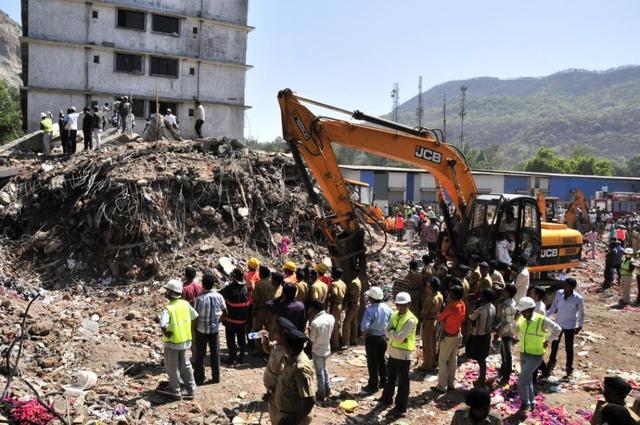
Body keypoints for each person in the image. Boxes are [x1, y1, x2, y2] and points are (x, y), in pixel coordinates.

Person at [515, 296, 562, 411]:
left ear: (531, 309)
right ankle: (531, 403)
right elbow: (515, 331)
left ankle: (525, 403)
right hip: (524, 353)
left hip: (536, 355)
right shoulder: (521, 319)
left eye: (523, 311)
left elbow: (558, 329)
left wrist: (549, 340)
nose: (522, 313)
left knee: (521, 381)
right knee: (528, 380)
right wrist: (515, 320)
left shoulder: (541, 320)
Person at [157, 279, 198, 400]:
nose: (166, 293)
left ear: (170, 293)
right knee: (185, 365)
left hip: (172, 342)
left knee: (172, 368)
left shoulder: (168, 308)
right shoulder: (185, 304)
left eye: (167, 291)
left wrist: (167, 333)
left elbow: (163, 324)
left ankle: (176, 391)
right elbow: (194, 316)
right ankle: (191, 390)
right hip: (185, 341)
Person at [379, 292, 418, 418]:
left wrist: (393, 334)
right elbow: (386, 330)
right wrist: (394, 334)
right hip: (392, 352)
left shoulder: (411, 319)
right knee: (390, 377)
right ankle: (386, 398)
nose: (401, 307)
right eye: (399, 305)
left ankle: (401, 406)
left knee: (402, 382)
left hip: (403, 354)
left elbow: (400, 337)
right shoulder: (395, 314)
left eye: (403, 305)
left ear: (409, 305)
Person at [270, 323, 315, 425]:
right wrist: (274, 394)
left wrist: (294, 421)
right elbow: (289, 385)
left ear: (289, 347)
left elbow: (309, 400)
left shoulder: (301, 368)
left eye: (283, 344)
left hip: (293, 418)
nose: (280, 345)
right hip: (284, 414)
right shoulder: (290, 358)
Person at [546, 277, 585, 378]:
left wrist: (580, 326)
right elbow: (554, 307)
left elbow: (581, 313)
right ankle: (552, 361)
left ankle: (569, 368)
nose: (565, 287)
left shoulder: (578, 298)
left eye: (567, 286)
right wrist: (546, 316)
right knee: (554, 344)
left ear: (572, 287)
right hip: (558, 324)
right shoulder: (559, 293)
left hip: (570, 326)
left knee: (569, 348)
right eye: (565, 285)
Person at [193, 273, 227, 385]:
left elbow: (195, 316)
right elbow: (225, 312)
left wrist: (194, 328)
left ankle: (199, 379)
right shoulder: (219, 296)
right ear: (213, 284)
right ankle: (216, 377)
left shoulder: (199, 298)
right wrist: (218, 321)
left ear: (203, 284)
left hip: (201, 330)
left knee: (200, 355)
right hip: (214, 330)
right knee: (215, 354)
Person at [432, 284, 466, 393]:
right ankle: (451, 383)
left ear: (455, 295)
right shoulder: (462, 304)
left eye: (451, 293)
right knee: (453, 360)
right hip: (457, 334)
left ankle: (442, 386)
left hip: (448, 336)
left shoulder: (451, 306)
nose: (449, 295)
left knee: (442, 361)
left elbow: (440, 317)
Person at [360, 286, 392, 393]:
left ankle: (373, 385)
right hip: (383, 338)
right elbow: (392, 322)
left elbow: (364, 327)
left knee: (372, 363)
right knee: (382, 360)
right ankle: (384, 381)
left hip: (372, 338)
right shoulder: (387, 308)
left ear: (371, 298)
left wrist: (365, 337)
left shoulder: (369, 310)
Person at [261, 316, 293, 422]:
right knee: (273, 413)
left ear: (283, 334)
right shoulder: (277, 345)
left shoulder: (286, 351)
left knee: (278, 415)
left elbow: (284, 375)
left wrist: (274, 391)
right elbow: (268, 350)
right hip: (271, 386)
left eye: (276, 333)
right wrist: (265, 340)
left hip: (277, 389)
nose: (273, 335)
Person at [219, 267, 250, 364]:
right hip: (243, 319)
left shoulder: (229, 288)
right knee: (241, 339)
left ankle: (231, 358)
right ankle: (242, 357)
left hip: (231, 320)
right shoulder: (245, 288)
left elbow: (219, 295)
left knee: (231, 340)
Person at [467, 288, 496, 388]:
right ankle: (481, 379)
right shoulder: (493, 307)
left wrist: (473, 307)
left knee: (480, 359)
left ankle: (481, 380)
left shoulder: (481, 310)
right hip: (487, 335)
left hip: (478, 336)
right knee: (482, 358)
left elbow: (471, 318)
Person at [307, 299, 335, 401]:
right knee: (324, 368)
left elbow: (312, 339)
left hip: (317, 349)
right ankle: (328, 389)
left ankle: (321, 393)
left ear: (314, 309)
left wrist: (310, 331)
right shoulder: (331, 317)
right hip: (326, 347)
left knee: (319, 372)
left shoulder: (315, 323)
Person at [419, 277, 443, 373]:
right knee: (433, 343)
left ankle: (427, 365)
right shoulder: (440, 296)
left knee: (427, 344)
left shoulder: (430, 299)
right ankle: (433, 362)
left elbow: (423, 313)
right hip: (435, 320)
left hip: (428, 322)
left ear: (431, 287)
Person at [252, 266, 276, 354]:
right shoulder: (272, 284)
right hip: (270, 311)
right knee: (269, 330)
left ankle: (258, 349)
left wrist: (254, 310)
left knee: (257, 330)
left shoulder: (259, 284)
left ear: (261, 274)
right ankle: (268, 349)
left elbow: (255, 299)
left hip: (260, 311)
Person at [497, 283, 517, 383]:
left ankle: (506, 375)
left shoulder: (509, 305)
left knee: (507, 354)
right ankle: (503, 370)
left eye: (504, 290)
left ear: (508, 293)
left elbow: (509, 322)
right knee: (503, 352)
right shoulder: (507, 302)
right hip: (505, 330)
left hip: (507, 332)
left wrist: (501, 331)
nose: (502, 291)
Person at [342, 270, 362, 348]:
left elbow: (351, 294)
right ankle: (354, 340)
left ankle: (346, 343)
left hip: (352, 304)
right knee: (354, 322)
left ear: (354, 272)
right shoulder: (358, 281)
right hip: (357, 303)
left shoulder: (354, 282)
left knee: (346, 322)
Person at [328, 268, 346, 351]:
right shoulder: (343, 283)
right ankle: (340, 339)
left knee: (334, 325)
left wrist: (330, 299)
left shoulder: (334, 284)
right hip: (341, 304)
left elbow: (334, 294)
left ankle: (335, 344)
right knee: (338, 323)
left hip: (335, 305)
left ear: (335, 274)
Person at [406, 260, 424, 329]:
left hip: (410, 292)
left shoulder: (409, 275)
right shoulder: (419, 275)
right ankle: (416, 324)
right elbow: (422, 285)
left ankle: (409, 322)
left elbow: (405, 283)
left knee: (409, 308)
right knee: (416, 308)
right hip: (417, 292)